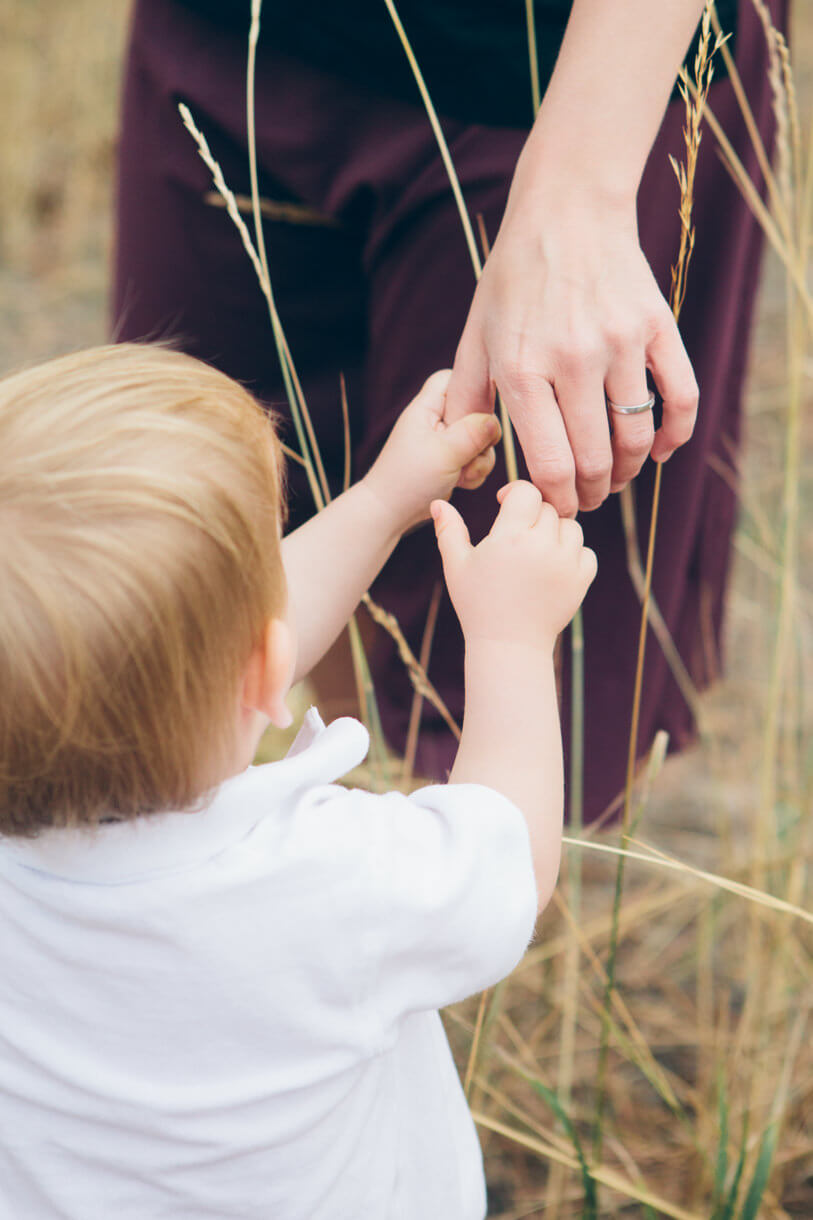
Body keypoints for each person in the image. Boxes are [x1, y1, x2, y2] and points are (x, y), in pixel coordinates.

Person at [114, 0, 786, 820]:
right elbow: (496, 864)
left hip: (549, 76)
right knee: (204, 532)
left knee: (480, 662)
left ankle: (381, 838)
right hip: (228, 40)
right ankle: (370, 838)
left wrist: (575, 196)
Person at [0, 343, 595, 1218]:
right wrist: (509, 640)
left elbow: (231, 649)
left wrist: (382, 501)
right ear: (269, 667)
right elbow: (508, 864)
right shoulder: (322, 881)